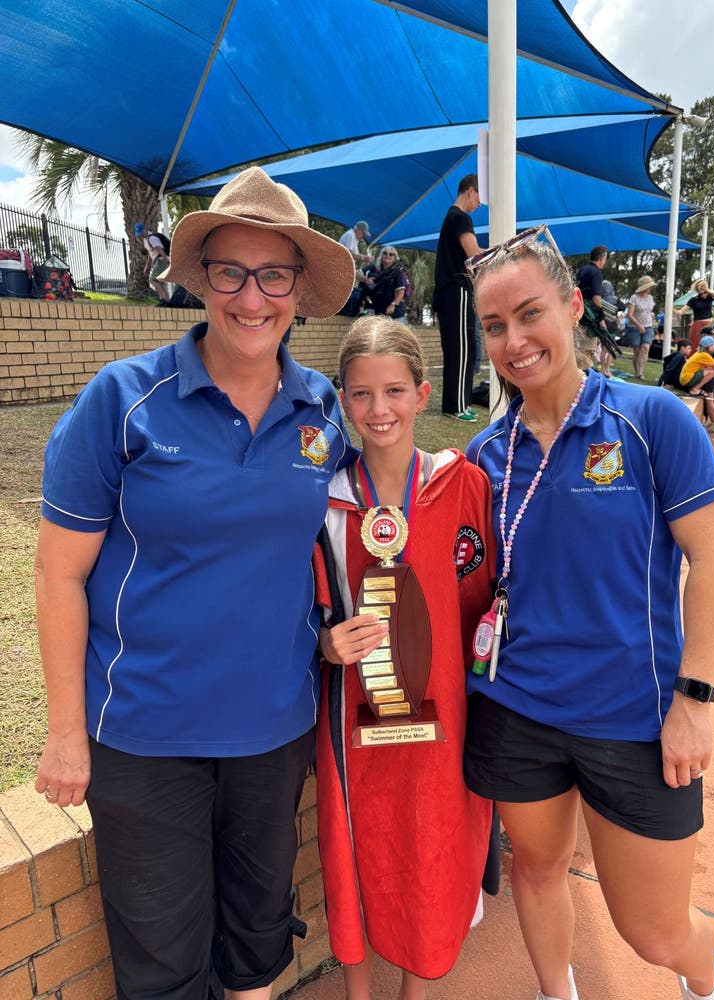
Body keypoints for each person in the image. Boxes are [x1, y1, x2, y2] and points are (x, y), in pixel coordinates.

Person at [34, 167, 357, 1000]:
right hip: (144, 735)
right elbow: (58, 573)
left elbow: (369, 522)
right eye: (231, 273)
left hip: (274, 730)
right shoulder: (124, 401)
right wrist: (66, 734)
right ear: (203, 279)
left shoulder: (322, 411)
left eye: (273, 275)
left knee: (256, 939)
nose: (252, 299)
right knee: (164, 960)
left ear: (298, 287)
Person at [462, 225, 714, 1000]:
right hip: (515, 709)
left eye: (529, 314)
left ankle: (706, 980)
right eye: (494, 326)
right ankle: (558, 994)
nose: (514, 341)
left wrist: (695, 700)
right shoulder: (487, 455)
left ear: (574, 306)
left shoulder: (654, 423)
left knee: (654, 932)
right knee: (539, 872)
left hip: (635, 719)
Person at [315, 316, 496, 999]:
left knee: (432, 850)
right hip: (353, 719)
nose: (378, 409)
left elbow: (480, 607)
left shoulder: (464, 488)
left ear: (423, 395)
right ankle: (359, 990)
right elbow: (302, 611)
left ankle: (414, 992)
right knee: (352, 846)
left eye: (394, 391)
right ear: (343, 400)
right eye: (360, 395)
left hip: (442, 714)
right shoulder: (327, 502)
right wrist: (326, 643)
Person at [433, 173, 482, 422]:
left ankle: (457, 402)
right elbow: (474, 254)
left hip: (447, 290)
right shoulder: (461, 217)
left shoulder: (449, 216)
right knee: (462, 348)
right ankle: (457, 406)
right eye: (479, 196)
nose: (479, 203)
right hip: (457, 288)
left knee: (457, 347)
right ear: (471, 191)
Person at [575, 245, 613, 377]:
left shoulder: (582, 270)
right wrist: (600, 318)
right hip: (590, 317)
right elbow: (596, 297)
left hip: (578, 313)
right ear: (602, 257)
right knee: (588, 349)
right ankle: (584, 377)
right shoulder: (596, 272)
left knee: (578, 347)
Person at [678, 333, 714, 432]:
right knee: (712, 375)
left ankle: (713, 423)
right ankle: (695, 389)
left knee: (710, 397)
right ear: (709, 346)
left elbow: (709, 365)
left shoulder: (701, 354)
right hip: (688, 378)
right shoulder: (704, 355)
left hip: (686, 378)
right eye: (713, 345)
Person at [360, 246, 408, 321]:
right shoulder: (375, 268)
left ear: (395, 258)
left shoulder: (397, 272)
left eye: (391, 254)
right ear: (381, 255)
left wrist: (393, 305)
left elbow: (401, 292)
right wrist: (365, 279)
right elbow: (356, 272)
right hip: (379, 312)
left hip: (395, 314)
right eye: (385, 253)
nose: (387, 255)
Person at [674, 279, 714, 352]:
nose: (703, 295)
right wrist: (673, 310)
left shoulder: (709, 297)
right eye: (701, 293)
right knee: (694, 345)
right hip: (697, 324)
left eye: (704, 292)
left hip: (708, 325)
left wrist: (706, 289)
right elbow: (681, 311)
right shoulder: (694, 299)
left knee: (708, 346)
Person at [625, 275, 657, 379]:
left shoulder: (650, 298)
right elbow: (630, 315)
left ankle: (640, 372)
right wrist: (638, 325)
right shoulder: (634, 298)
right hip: (634, 327)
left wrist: (652, 323)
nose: (650, 289)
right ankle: (636, 371)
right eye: (649, 286)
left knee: (645, 348)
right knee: (637, 350)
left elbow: (649, 313)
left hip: (648, 326)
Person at [134, 221, 171, 304]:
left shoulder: (151, 238)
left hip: (162, 260)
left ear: (145, 229)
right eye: (139, 233)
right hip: (160, 260)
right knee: (161, 282)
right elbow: (151, 254)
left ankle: (163, 300)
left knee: (153, 280)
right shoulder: (146, 240)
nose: (141, 235)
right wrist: (147, 265)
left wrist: (166, 261)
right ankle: (168, 301)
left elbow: (160, 250)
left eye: (141, 232)